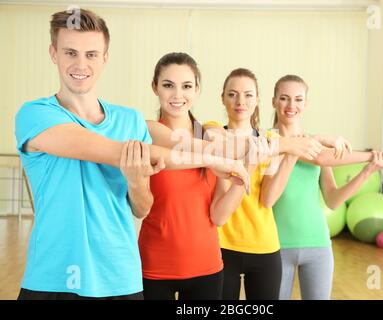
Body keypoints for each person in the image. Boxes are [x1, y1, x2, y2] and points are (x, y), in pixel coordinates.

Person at [14, 9, 249, 300]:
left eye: (91, 54)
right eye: (70, 52)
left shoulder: (130, 120)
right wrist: (213, 159)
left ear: (105, 58)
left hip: (121, 279)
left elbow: (141, 208)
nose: (80, 64)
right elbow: (118, 151)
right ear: (54, 53)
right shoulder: (36, 114)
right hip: (54, 280)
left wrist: (138, 182)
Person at [205, 68, 350, 300]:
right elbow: (224, 147)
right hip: (223, 245)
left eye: (248, 95)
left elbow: (268, 198)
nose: (240, 101)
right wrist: (296, 144)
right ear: (222, 97)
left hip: (265, 246)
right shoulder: (212, 130)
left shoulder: (272, 141)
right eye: (232, 94)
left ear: (258, 100)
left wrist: (371, 158)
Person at [270, 75, 383, 300]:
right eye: (284, 98)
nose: (291, 106)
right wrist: (375, 154)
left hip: (318, 245)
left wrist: (368, 171)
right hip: (276, 246)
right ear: (274, 101)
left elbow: (333, 200)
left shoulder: (319, 147)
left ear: (306, 104)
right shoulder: (269, 142)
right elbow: (320, 158)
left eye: (298, 99)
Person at [138, 52, 260, 300]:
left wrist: (248, 170)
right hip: (154, 268)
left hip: (206, 268)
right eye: (168, 85)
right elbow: (140, 207)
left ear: (197, 90)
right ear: (155, 87)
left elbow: (219, 215)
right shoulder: (146, 131)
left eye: (186, 86)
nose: (178, 95)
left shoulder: (211, 136)